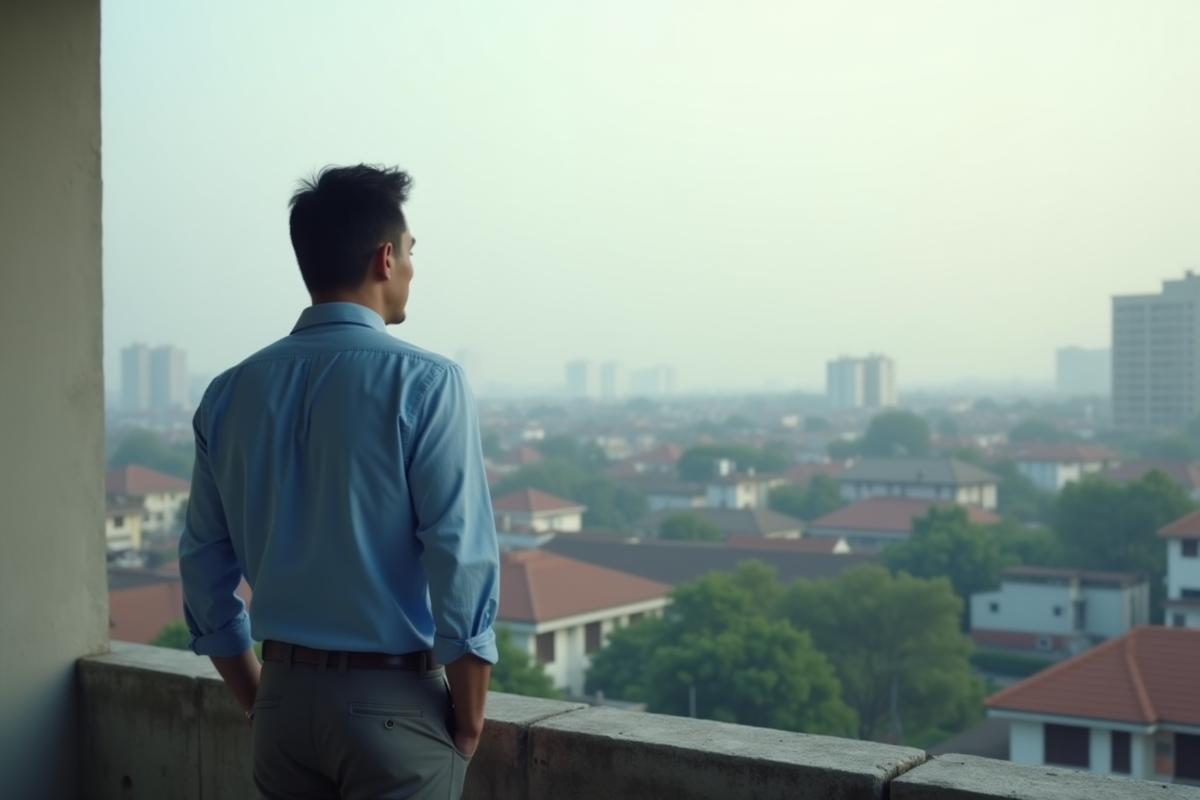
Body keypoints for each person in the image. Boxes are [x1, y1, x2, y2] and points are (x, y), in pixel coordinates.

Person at [178, 164, 499, 800]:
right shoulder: (428, 382)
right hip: (392, 705)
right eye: (411, 252)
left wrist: (260, 700)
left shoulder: (228, 392)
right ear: (385, 257)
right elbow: (459, 556)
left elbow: (201, 568)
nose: (411, 268)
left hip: (281, 708)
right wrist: (470, 719)